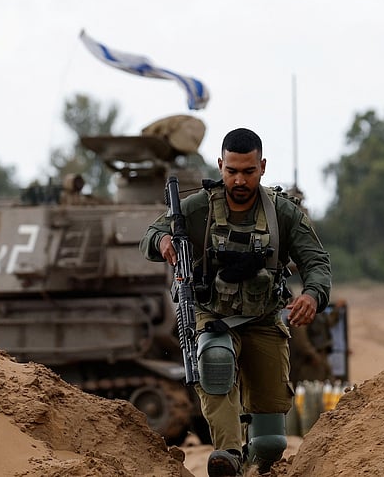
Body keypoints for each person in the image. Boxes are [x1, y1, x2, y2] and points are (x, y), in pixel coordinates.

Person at [139, 127, 331, 476]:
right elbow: (151, 235)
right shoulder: (198, 208)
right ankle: (227, 455)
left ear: (263, 167)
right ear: (220, 166)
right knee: (214, 361)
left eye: (248, 171)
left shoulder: (282, 213)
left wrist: (313, 295)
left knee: (271, 443)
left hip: (265, 319)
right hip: (212, 316)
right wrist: (163, 240)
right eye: (231, 171)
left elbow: (316, 262)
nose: (239, 180)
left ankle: (256, 461)